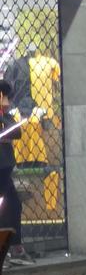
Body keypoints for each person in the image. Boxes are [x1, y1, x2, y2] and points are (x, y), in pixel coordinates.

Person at [0, 81, 24, 262]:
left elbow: (15, 131)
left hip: (4, 171)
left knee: (13, 206)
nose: (7, 102)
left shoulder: (4, 115)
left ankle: (14, 247)